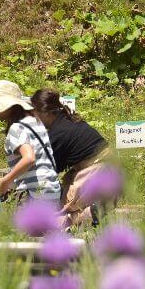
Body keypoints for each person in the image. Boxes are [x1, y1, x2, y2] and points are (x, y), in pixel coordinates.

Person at [31, 89, 110, 226]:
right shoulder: (69, 120)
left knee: (62, 215)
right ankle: (94, 212)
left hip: (96, 168)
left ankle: (92, 213)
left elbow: (50, 170)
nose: (35, 118)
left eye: (35, 113)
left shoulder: (58, 133)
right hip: (109, 166)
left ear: (45, 112)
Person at [0, 80, 61, 202]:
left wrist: (5, 181)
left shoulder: (17, 128)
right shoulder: (35, 122)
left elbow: (29, 158)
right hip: (51, 191)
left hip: (34, 195)